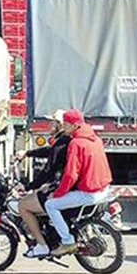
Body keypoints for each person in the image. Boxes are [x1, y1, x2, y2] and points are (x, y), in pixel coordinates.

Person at [46, 109, 113, 257]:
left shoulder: (76, 143)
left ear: (75, 125)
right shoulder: (95, 139)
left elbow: (71, 174)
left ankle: (67, 242)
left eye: (66, 124)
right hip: (104, 189)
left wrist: (57, 193)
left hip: (90, 193)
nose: (64, 127)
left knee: (50, 205)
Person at [15, 109, 71, 258]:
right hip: (64, 183)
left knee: (23, 206)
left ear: (60, 125)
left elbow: (48, 171)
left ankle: (42, 245)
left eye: (53, 122)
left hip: (62, 185)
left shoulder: (62, 142)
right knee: (40, 194)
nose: (50, 125)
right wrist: (28, 153)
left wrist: (28, 186)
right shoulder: (63, 141)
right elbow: (50, 151)